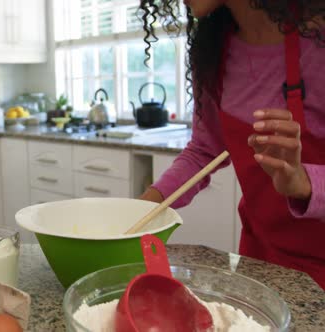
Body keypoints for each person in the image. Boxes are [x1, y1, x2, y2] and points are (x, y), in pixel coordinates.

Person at [139, 0, 325, 288]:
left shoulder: (318, 40)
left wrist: (305, 183)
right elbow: (204, 150)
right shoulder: (214, 52)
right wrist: (143, 209)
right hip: (261, 256)